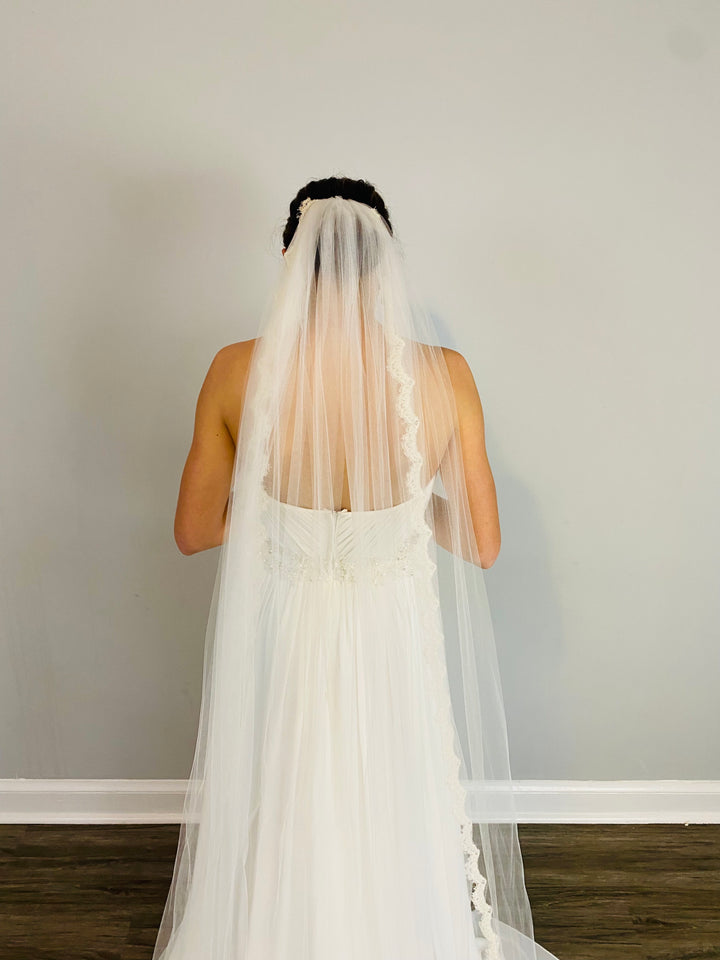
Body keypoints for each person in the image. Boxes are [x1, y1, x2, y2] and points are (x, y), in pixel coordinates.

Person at [154, 177, 562, 960]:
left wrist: (285, 514)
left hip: (291, 630)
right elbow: (482, 544)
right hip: (389, 633)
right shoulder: (446, 374)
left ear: (288, 256)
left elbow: (194, 530)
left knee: (296, 779)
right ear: (384, 262)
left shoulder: (236, 370)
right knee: (391, 782)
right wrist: (404, 510)